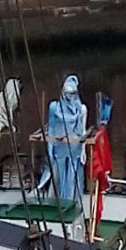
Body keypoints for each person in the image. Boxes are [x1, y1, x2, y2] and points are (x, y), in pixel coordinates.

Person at [45, 75, 88, 205]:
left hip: (74, 151)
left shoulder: (81, 109)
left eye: (72, 93)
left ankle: (72, 208)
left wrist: (83, 152)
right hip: (58, 151)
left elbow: (83, 131)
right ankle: (53, 208)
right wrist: (50, 149)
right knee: (56, 181)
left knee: (73, 182)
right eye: (66, 93)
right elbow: (51, 128)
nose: (69, 96)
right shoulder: (54, 107)